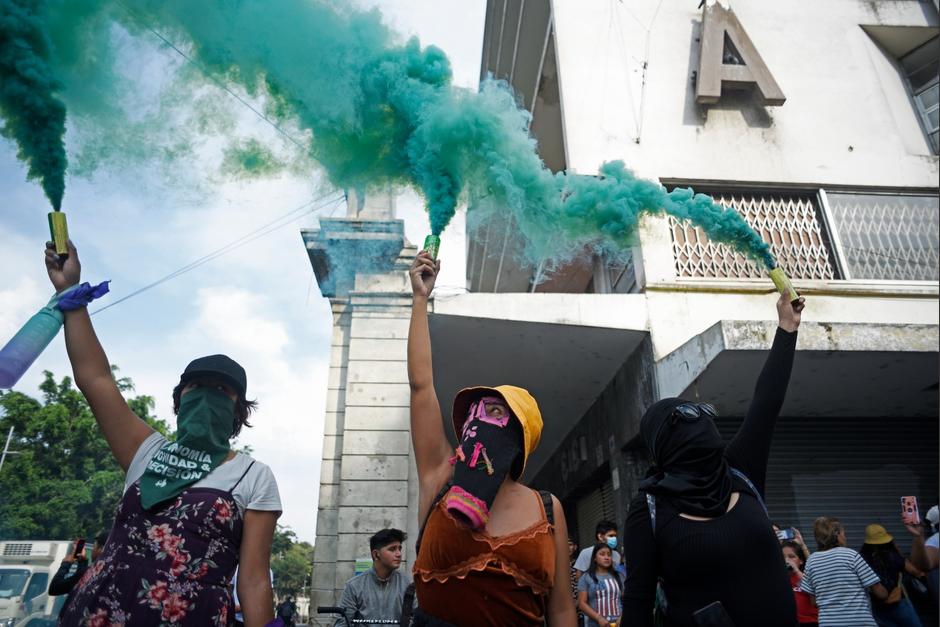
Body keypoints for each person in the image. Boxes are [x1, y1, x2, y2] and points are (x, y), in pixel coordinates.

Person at [46, 241, 282, 627]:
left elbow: (254, 580)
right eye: (196, 387)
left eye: (221, 391)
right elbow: (96, 379)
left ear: (239, 412)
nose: (207, 396)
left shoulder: (255, 476)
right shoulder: (145, 451)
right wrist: (68, 290)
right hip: (100, 613)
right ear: (178, 401)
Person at [406, 251, 576, 626]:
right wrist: (420, 299)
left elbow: (562, 608)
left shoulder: (548, 509)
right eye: (474, 413)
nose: (478, 420)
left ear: (518, 434)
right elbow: (421, 386)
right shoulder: (440, 477)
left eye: (495, 412)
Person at [622, 293, 805, 627]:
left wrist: (787, 327)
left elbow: (767, 401)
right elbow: (637, 602)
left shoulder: (738, 469)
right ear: (662, 443)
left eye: (703, 412)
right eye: (686, 415)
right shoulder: (649, 509)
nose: (700, 418)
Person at [799, 517, 889, 627]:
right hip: (860, 623)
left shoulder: (811, 561)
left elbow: (814, 602)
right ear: (837, 535)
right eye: (844, 533)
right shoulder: (851, 555)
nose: (845, 537)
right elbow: (880, 593)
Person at [336, 529, 411, 626]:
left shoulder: (408, 584)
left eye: (399, 549)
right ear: (376, 555)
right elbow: (342, 623)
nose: (399, 554)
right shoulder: (354, 586)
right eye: (392, 549)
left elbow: (416, 620)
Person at [859, 524, 924, 627]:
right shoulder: (893, 555)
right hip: (899, 602)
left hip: (877, 606)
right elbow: (915, 572)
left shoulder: (861, 558)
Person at [48, 531, 109, 615]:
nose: (93, 550)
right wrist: (82, 561)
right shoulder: (112, 573)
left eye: (94, 546)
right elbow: (80, 582)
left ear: (101, 549)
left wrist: (66, 563)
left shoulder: (93, 572)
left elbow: (54, 588)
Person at [576, 543, 622, 627]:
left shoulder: (619, 576)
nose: (606, 557)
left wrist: (622, 617)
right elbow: (582, 603)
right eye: (602, 554)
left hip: (619, 623)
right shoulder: (586, 577)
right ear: (595, 558)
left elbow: (626, 599)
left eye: (609, 555)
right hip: (595, 624)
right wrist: (599, 618)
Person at [782, 540, 819, 627]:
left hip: (810, 622)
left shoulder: (806, 575)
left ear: (801, 561)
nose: (786, 560)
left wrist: (796, 571)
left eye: (791, 556)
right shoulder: (778, 578)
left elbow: (813, 590)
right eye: (782, 556)